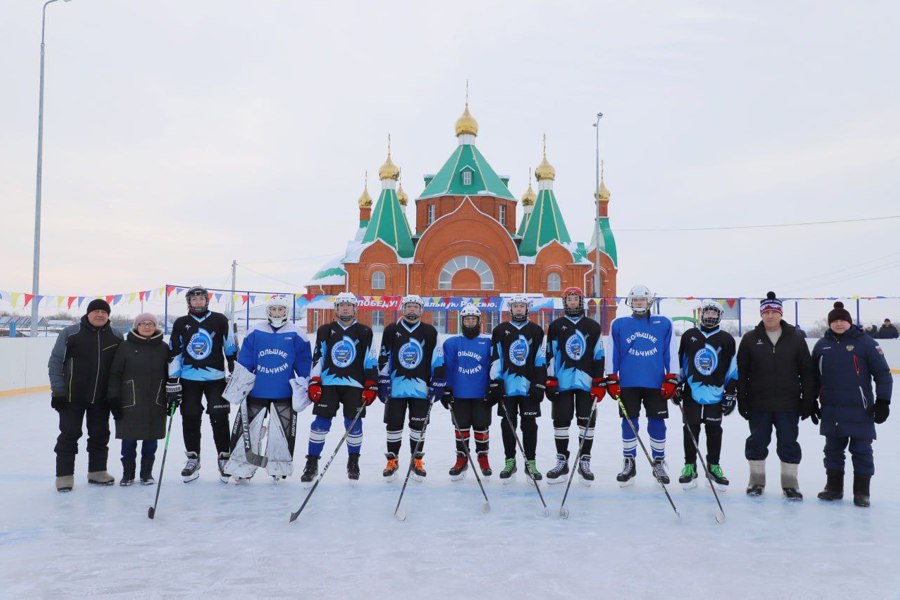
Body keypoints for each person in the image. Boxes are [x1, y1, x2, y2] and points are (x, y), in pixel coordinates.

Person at [737, 291, 816, 500]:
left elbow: (807, 372)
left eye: (774, 311)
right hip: (758, 403)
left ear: (780, 313)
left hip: (788, 404)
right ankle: (756, 482)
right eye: (766, 312)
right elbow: (742, 373)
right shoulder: (750, 339)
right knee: (757, 443)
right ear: (761, 314)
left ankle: (790, 485)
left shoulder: (796, 338)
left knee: (788, 443)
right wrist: (742, 399)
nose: (770, 316)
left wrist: (808, 399)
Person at [812, 302, 893, 507]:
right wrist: (811, 401)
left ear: (850, 322)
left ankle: (862, 493)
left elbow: (883, 374)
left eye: (843, 320)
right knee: (832, 450)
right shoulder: (822, 345)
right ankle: (834, 488)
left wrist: (884, 401)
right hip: (831, 407)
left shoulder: (866, 343)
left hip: (860, 408)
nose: (839, 324)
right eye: (835, 321)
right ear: (830, 323)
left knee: (862, 451)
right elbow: (813, 377)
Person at [223, 296, 312, 481]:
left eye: (281, 310)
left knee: (281, 433)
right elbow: (246, 361)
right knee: (247, 431)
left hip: (284, 392)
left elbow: (304, 364)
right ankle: (241, 466)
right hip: (257, 391)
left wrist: (304, 387)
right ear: (268, 311)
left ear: (286, 312)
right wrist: (240, 384)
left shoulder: (297, 333)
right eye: (274, 310)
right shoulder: (255, 331)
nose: (277, 313)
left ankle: (278, 467)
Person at [299, 292, 377, 483]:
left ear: (355, 308)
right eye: (341, 305)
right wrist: (315, 381)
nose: (345, 308)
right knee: (320, 424)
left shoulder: (365, 332)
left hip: (355, 385)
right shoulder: (325, 330)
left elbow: (370, 359)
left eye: (348, 305)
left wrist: (371, 385)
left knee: (354, 424)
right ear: (336, 309)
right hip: (329, 384)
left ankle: (353, 461)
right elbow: (318, 357)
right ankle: (312, 463)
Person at [605, 284, 677, 486]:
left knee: (657, 423)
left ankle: (659, 462)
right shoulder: (619, 324)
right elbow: (613, 352)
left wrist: (671, 377)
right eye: (635, 299)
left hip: (655, 383)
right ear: (630, 301)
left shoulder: (663, 323)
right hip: (628, 383)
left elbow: (669, 351)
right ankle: (629, 461)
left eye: (642, 300)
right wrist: (611, 376)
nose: (639, 303)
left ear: (649, 301)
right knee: (629, 422)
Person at [49, 299, 123, 492]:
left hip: (101, 398)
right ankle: (64, 477)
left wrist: (116, 395)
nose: (100, 315)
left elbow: (121, 368)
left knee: (100, 435)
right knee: (69, 435)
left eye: (104, 312)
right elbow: (56, 362)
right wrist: (58, 391)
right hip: (72, 397)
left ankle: (97, 472)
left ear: (108, 315)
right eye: (96, 311)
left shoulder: (116, 335)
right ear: (88, 314)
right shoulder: (70, 333)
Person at [167, 286, 238, 482]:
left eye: (201, 299)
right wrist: (173, 380)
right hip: (189, 379)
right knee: (190, 416)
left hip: (216, 378)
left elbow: (229, 347)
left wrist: (234, 369)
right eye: (194, 299)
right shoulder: (182, 323)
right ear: (188, 302)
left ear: (207, 300)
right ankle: (192, 458)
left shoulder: (219, 320)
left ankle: (224, 456)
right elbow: (175, 352)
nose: (198, 302)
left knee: (220, 416)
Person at [674, 301, 738, 490]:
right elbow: (681, 362)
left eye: (713, 313)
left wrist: (731, 392)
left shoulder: (726, 339)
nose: (710, 316)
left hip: (715, 391)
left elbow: (732, 368)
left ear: (719, 316)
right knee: (690, 428)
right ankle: (690, 466)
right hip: (692, 390)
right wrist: (677, 383)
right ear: (701, 315)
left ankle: (713, 466)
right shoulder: (689, 335)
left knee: (714, 428)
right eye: (707, 313)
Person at [545, 287, 606, 484]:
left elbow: (598, 355)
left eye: (575, 299)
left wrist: (598, 380)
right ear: (565, 302)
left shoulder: (592, 326)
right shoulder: (556, 326)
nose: (572, 302)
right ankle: (562, 460)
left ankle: (584, 461)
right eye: (569, 299)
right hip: (563, 382)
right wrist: (551, 379)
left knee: (586, 422)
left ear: (581, 302)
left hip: (586, 383)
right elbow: (550, 354)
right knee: (561, 421)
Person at [378, 295, 440, 481]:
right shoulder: (392, 330)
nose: (412, 310)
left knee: (418, 426)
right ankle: (392, 460)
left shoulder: (429, 331)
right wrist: (383, 381)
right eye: (409, 306)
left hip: (421, 388)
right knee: (394, 425)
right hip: (396, 388)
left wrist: (437, 382)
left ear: (421, 310)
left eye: (415, 307)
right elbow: (383, 356)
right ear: (402, 309)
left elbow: (437, 358)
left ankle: (416, 460)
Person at [107, 313, 169, 486]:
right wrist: (114, 398)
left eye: (151, 323)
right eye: (142, 324)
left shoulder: (163, 348)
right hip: (130, 401)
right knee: (129, 442)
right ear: (136, 326)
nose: (147, 326)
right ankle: (128, 474)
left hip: (156, 401)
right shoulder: (125, 347)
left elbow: (171, 375)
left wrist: (172, 395)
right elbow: (115, 375)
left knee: (151, 442)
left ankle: (146, 474)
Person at [490, 294, 547, 482]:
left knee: (529, 425)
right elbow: (496, 358)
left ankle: (530, 462)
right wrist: (496, 381)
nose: (519, 309)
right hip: (507, 387)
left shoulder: (536, 331)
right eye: (515, 306)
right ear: (510, 309)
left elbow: (540, 359)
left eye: (522, 306)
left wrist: (539, 383)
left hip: (529, 387)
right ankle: (510, 460)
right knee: (508, 424)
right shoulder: (500, 330)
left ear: (527, 308)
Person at [436, 304, 492, 479]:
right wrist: (446, 389)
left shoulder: (488, 342)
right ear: (462, 321)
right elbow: (448, 367)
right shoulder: (452, 343)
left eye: (473, 319)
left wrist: (494, 387)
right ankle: (461, 458)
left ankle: (483, 458)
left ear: (478, 321)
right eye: (467, 319)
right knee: (461, 428)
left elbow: (493, 367)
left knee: (482, 427)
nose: (470, 322)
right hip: (459, 394)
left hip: (481, 393)